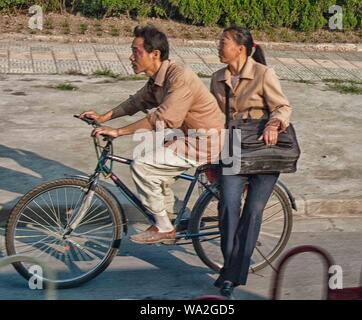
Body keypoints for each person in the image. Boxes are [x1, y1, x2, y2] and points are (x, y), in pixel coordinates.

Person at [80, 25, 224, 244]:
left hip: (206, 142)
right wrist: (103, 117)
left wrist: (119, 132)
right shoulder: (157, 79)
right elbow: (135, 102)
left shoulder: (179, 78)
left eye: (136, 52)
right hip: (189, 139)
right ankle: (170, 219)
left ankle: (164, 228)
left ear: (155, 54)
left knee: (142, 165)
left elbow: (163, 119)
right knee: (156, 170)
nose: (131, 57)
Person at [210, 26, 292, 298]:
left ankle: (231, 276)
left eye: (223, 42)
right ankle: (231, 267)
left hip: (265, 148)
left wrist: (274, 123)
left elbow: (283, 107)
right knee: (228, 206)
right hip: (233, 146)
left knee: (253, 211)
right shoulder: (217, 78)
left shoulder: (263, 73)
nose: (218, 46)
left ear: (240, 49)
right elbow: (213, 117)